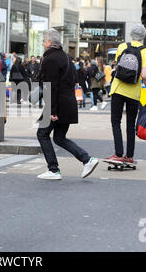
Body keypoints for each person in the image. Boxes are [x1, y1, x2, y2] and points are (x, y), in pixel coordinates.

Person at [36, 29, 99, 181]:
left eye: (44, 41)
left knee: (42, 134)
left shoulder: (50, 59)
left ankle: (53, 169)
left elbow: (50, 86)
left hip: (56, 104)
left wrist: (52, 110)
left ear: (50, 43)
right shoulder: (65, 57)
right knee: (59, 137)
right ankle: (87, 159)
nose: (43, 44)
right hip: (68, 103)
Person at [103, 24, 146, 165]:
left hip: (118, 89)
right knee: (131, 124)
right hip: (134, 92)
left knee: (116, 121)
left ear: (131, 35)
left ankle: (118, 154)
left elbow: (118, 66)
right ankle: (130, 156)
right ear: (143, 36)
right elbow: (144, 75)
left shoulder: (122, 46)